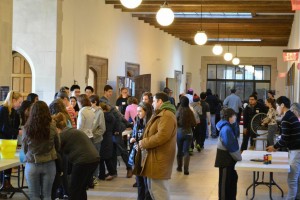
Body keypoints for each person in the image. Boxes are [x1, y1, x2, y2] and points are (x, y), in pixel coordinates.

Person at [138, 92, 177, 200]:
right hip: (154, 156)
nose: (153, 103)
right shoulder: (161, 113)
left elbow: (162, 136)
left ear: (160, 101)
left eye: (154, 101)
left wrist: (144, 142)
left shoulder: (167, 115)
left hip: (160, 158)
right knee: (152, 190)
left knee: (159, 192)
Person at [52, 113, 99, 200]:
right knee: (81, 188)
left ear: (57, 128)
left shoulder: (62, 135)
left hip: (83, 161)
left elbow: (55, 150)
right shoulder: (72, 130)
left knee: (74, 189)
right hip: (94, 159)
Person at [22, 101, 59, 200]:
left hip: (32, 164)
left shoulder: (27, 128)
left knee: (34, 196)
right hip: (49, 163)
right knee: (47, 195)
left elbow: (24, 148)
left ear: (32, 112)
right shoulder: (52, 126)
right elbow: (58, 144)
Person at [266, 96, 300, 200]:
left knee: (292, 180)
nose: (276, 109)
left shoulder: (286, 118)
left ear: (282, 105)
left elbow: (285, 139)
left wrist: (274, 147)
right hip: (295, 150)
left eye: (277, 106)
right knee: (295, 180)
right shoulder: (291, 116)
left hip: (296, 151)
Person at [100, 85, 133, 178]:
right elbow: (117, 114)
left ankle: (129, 168)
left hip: (116, 128)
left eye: (111, 91)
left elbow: (117, 115)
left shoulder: (106, 102)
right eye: (109, 92)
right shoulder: (103, 101)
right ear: (105, 91)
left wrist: (127, 124)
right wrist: (127, 123)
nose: (110, 93)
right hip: (111, 129)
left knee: (121, 149)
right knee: (113, 150)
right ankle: (113, 171)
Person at [215, 108, 242, 200]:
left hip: (228, 160)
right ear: (229, 117)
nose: (235, 118)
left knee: (231, 181)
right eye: (234, 116)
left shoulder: (227, 127)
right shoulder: (226, 129)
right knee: (225, 185)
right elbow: (231, 146)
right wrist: (239, 157)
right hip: (226, 160)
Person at [128, 102, 153, 200]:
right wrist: (132, 139)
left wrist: (141, 143)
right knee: (139, 183)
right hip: (137, 155)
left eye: (140, 111)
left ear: (146, 112)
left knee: (147, 183)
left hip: (146, 156)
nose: (137, 113)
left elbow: (151, 140)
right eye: (137, 111)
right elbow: (134, 135)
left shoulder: (150, 124)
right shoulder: (137, 122)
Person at [0, 91, 22, 194]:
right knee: (2, 164)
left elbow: (13, 126)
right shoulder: (3, 110)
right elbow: (5, 128)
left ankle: (6, 183)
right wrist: (18, 132)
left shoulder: (13, 111)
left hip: (9, 140)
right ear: (13, 100)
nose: (20, 105)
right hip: (2, 140)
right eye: (19, 102)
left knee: (8, 164)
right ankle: (2, 185)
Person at [176, 96, 196, 175]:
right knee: (186, 151)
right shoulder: (190, 112)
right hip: (189, 133)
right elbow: (194, 123)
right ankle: (186, 169)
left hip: (180, 132)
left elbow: (175, 121)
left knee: (180, 151)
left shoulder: (178, 111)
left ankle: (179, 167)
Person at [89, 94, 106, 182]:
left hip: (96, 140)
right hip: (89, 139)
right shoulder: (89, 111)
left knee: (95, 159)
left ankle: (95, 177)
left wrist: (94, 135)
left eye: (90, 103)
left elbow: (102, 128)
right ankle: (90, 176)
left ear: (95, 102)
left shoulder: (100, 112)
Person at [98, 102, 117, 181]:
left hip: (103, 137)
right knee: (106, 157)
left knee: (102, 158)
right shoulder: (112, 116)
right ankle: (109, 173)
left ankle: (106, 174)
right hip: (109, 137)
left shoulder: (102, 116)